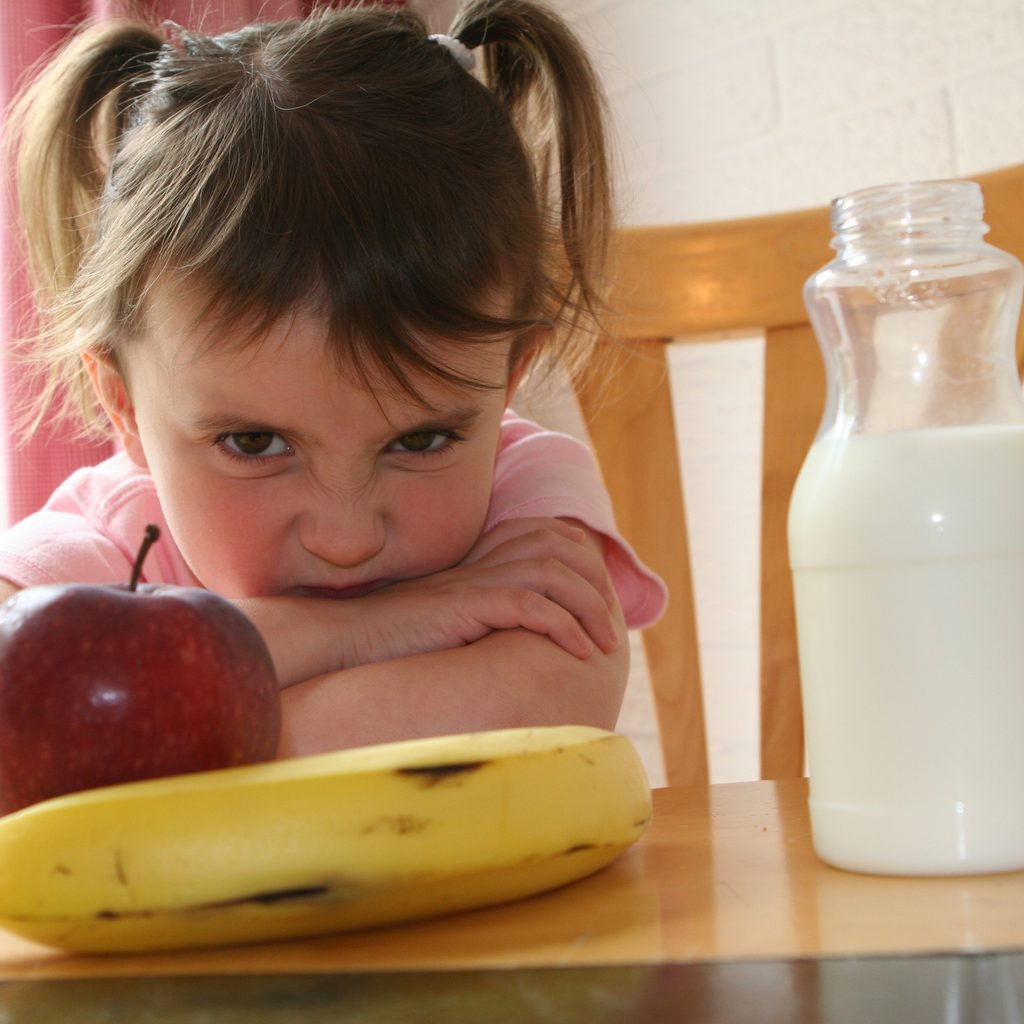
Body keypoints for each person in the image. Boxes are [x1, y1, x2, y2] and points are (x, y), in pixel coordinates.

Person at [0, 1, 666, 755]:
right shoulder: (106, 538)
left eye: (420, 440)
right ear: (122, 406)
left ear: (510, 379)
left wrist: (143, 735)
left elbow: (545, 703)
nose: (346, 537)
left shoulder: (525, 488)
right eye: (255, 442)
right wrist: (364, 630)